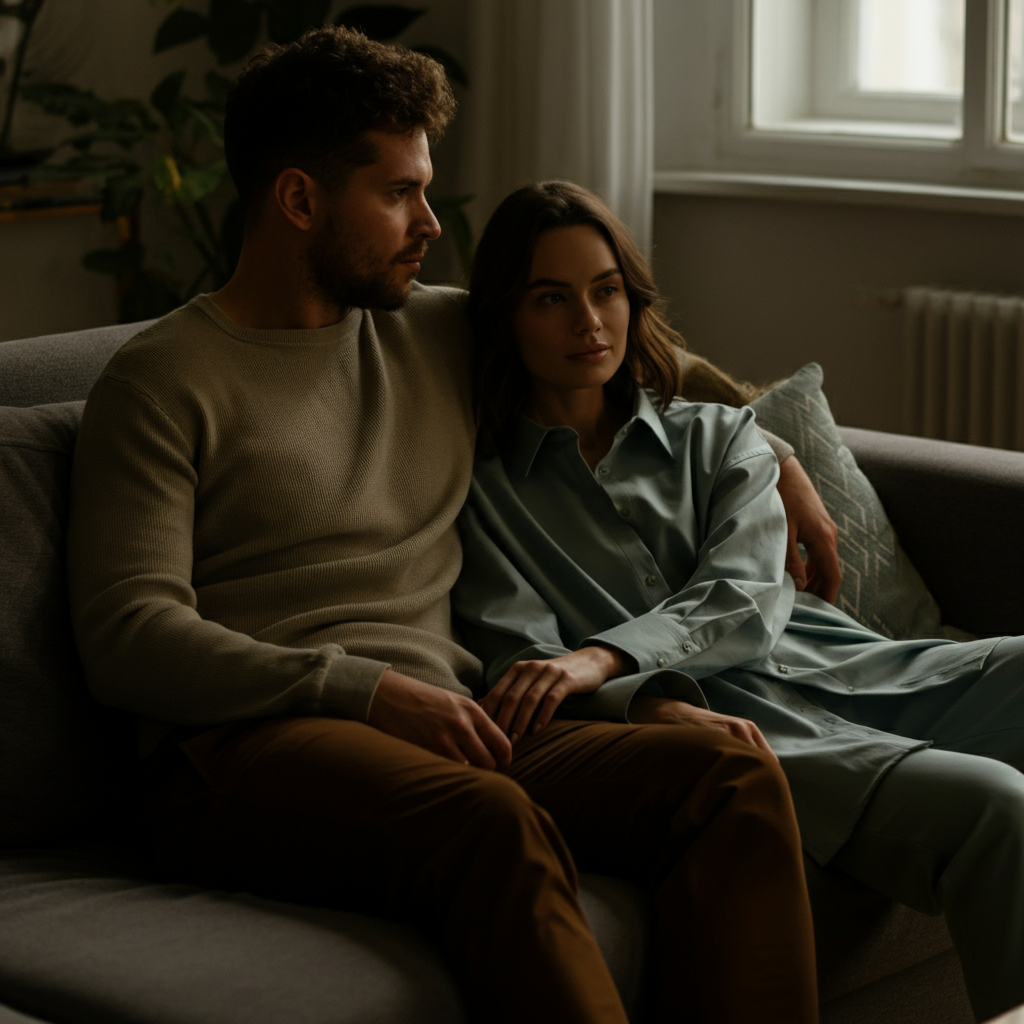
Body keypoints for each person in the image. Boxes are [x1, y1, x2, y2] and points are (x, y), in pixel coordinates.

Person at [66, 27, 821, 1024]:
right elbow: (128, 637)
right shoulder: (162, 381)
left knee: (728, 772)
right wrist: (363, 689)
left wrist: (772, 450)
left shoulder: (430, 330)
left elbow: (611, 338)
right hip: (239, 755)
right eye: (397, 194)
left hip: (450, 727)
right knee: (488, 822)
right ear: (298, 200)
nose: (430, 222)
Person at [452, 180, 1024, 1024]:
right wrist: (637, 702)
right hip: (750, 730)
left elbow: (750, 592)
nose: (590, 323)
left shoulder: (720, 436)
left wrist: (604, 654)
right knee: (997, 807)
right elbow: (519, 653)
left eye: (606, 290)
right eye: (551, 298)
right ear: (506, 314)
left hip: (849, 663)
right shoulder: (480, 493)